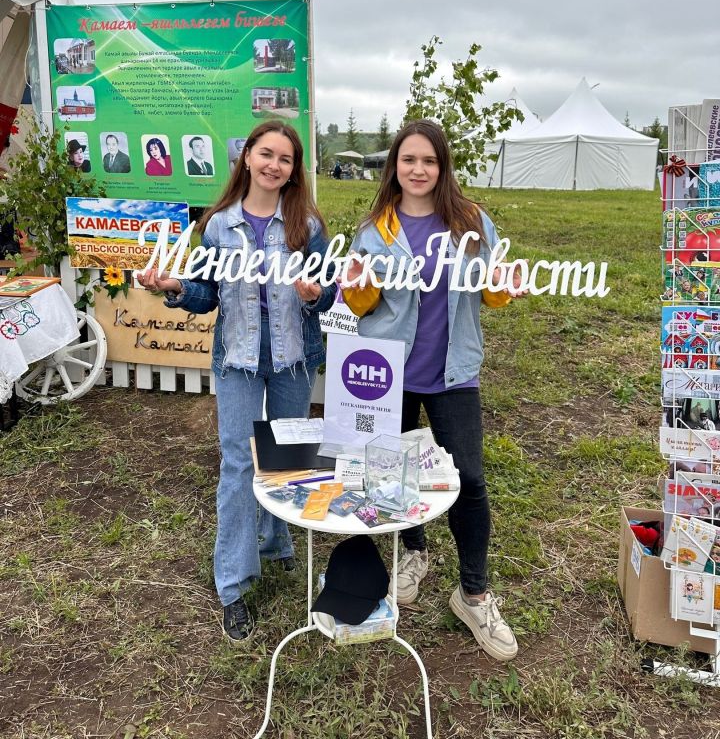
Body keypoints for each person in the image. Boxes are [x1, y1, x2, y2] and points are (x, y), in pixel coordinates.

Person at [137, 121, 335, 643]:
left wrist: (316, 293)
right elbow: (207, 294)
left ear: (294, 171)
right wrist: (178, 286)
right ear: (246, 157)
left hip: (294, 358)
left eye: (285, 159)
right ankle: (234, 583)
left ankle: (276, 544)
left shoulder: (307, 223)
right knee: (240, 461)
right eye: (265, 154)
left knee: (288, 456)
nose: (274, 165)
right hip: (238, 360)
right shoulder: (220, 226)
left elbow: (329, 293)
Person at [342, 119, 525, 662]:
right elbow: (361, 306)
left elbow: (491, 296)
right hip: (388, 373)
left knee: (468, 479)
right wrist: (357, 287)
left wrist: (503, 287)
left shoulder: (471, 222)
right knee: (393, 476)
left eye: (429, 161)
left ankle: (473, 592)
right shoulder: (375, 229)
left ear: (442, 167)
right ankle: (414, 552)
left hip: (454, 373)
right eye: (408, 160)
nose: (418, 170)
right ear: (394, 166)